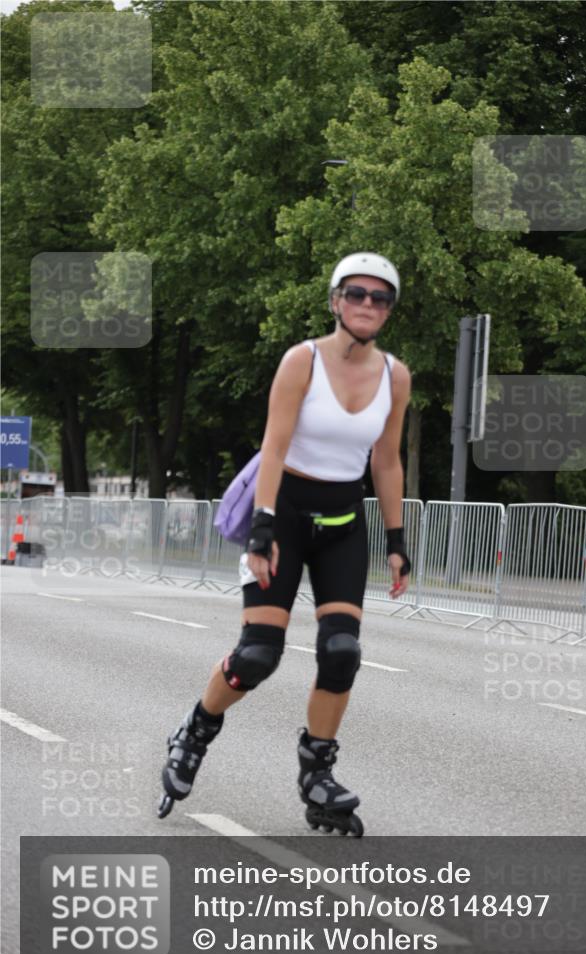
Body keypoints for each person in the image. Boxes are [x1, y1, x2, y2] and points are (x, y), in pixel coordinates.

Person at [158, 252, 412, 836]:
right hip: (285, 516)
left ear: (389, 310)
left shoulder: (396, 375)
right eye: (356, 293)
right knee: (257, 656)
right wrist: (264, 525)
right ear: (335, 300)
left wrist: (398, 538)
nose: (368, 304)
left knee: (342, 649)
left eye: (380, 297)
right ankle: (195, 729)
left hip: (344, 522)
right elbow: (274, 447)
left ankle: (317, 773)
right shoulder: (303, 360)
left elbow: (388, 459)